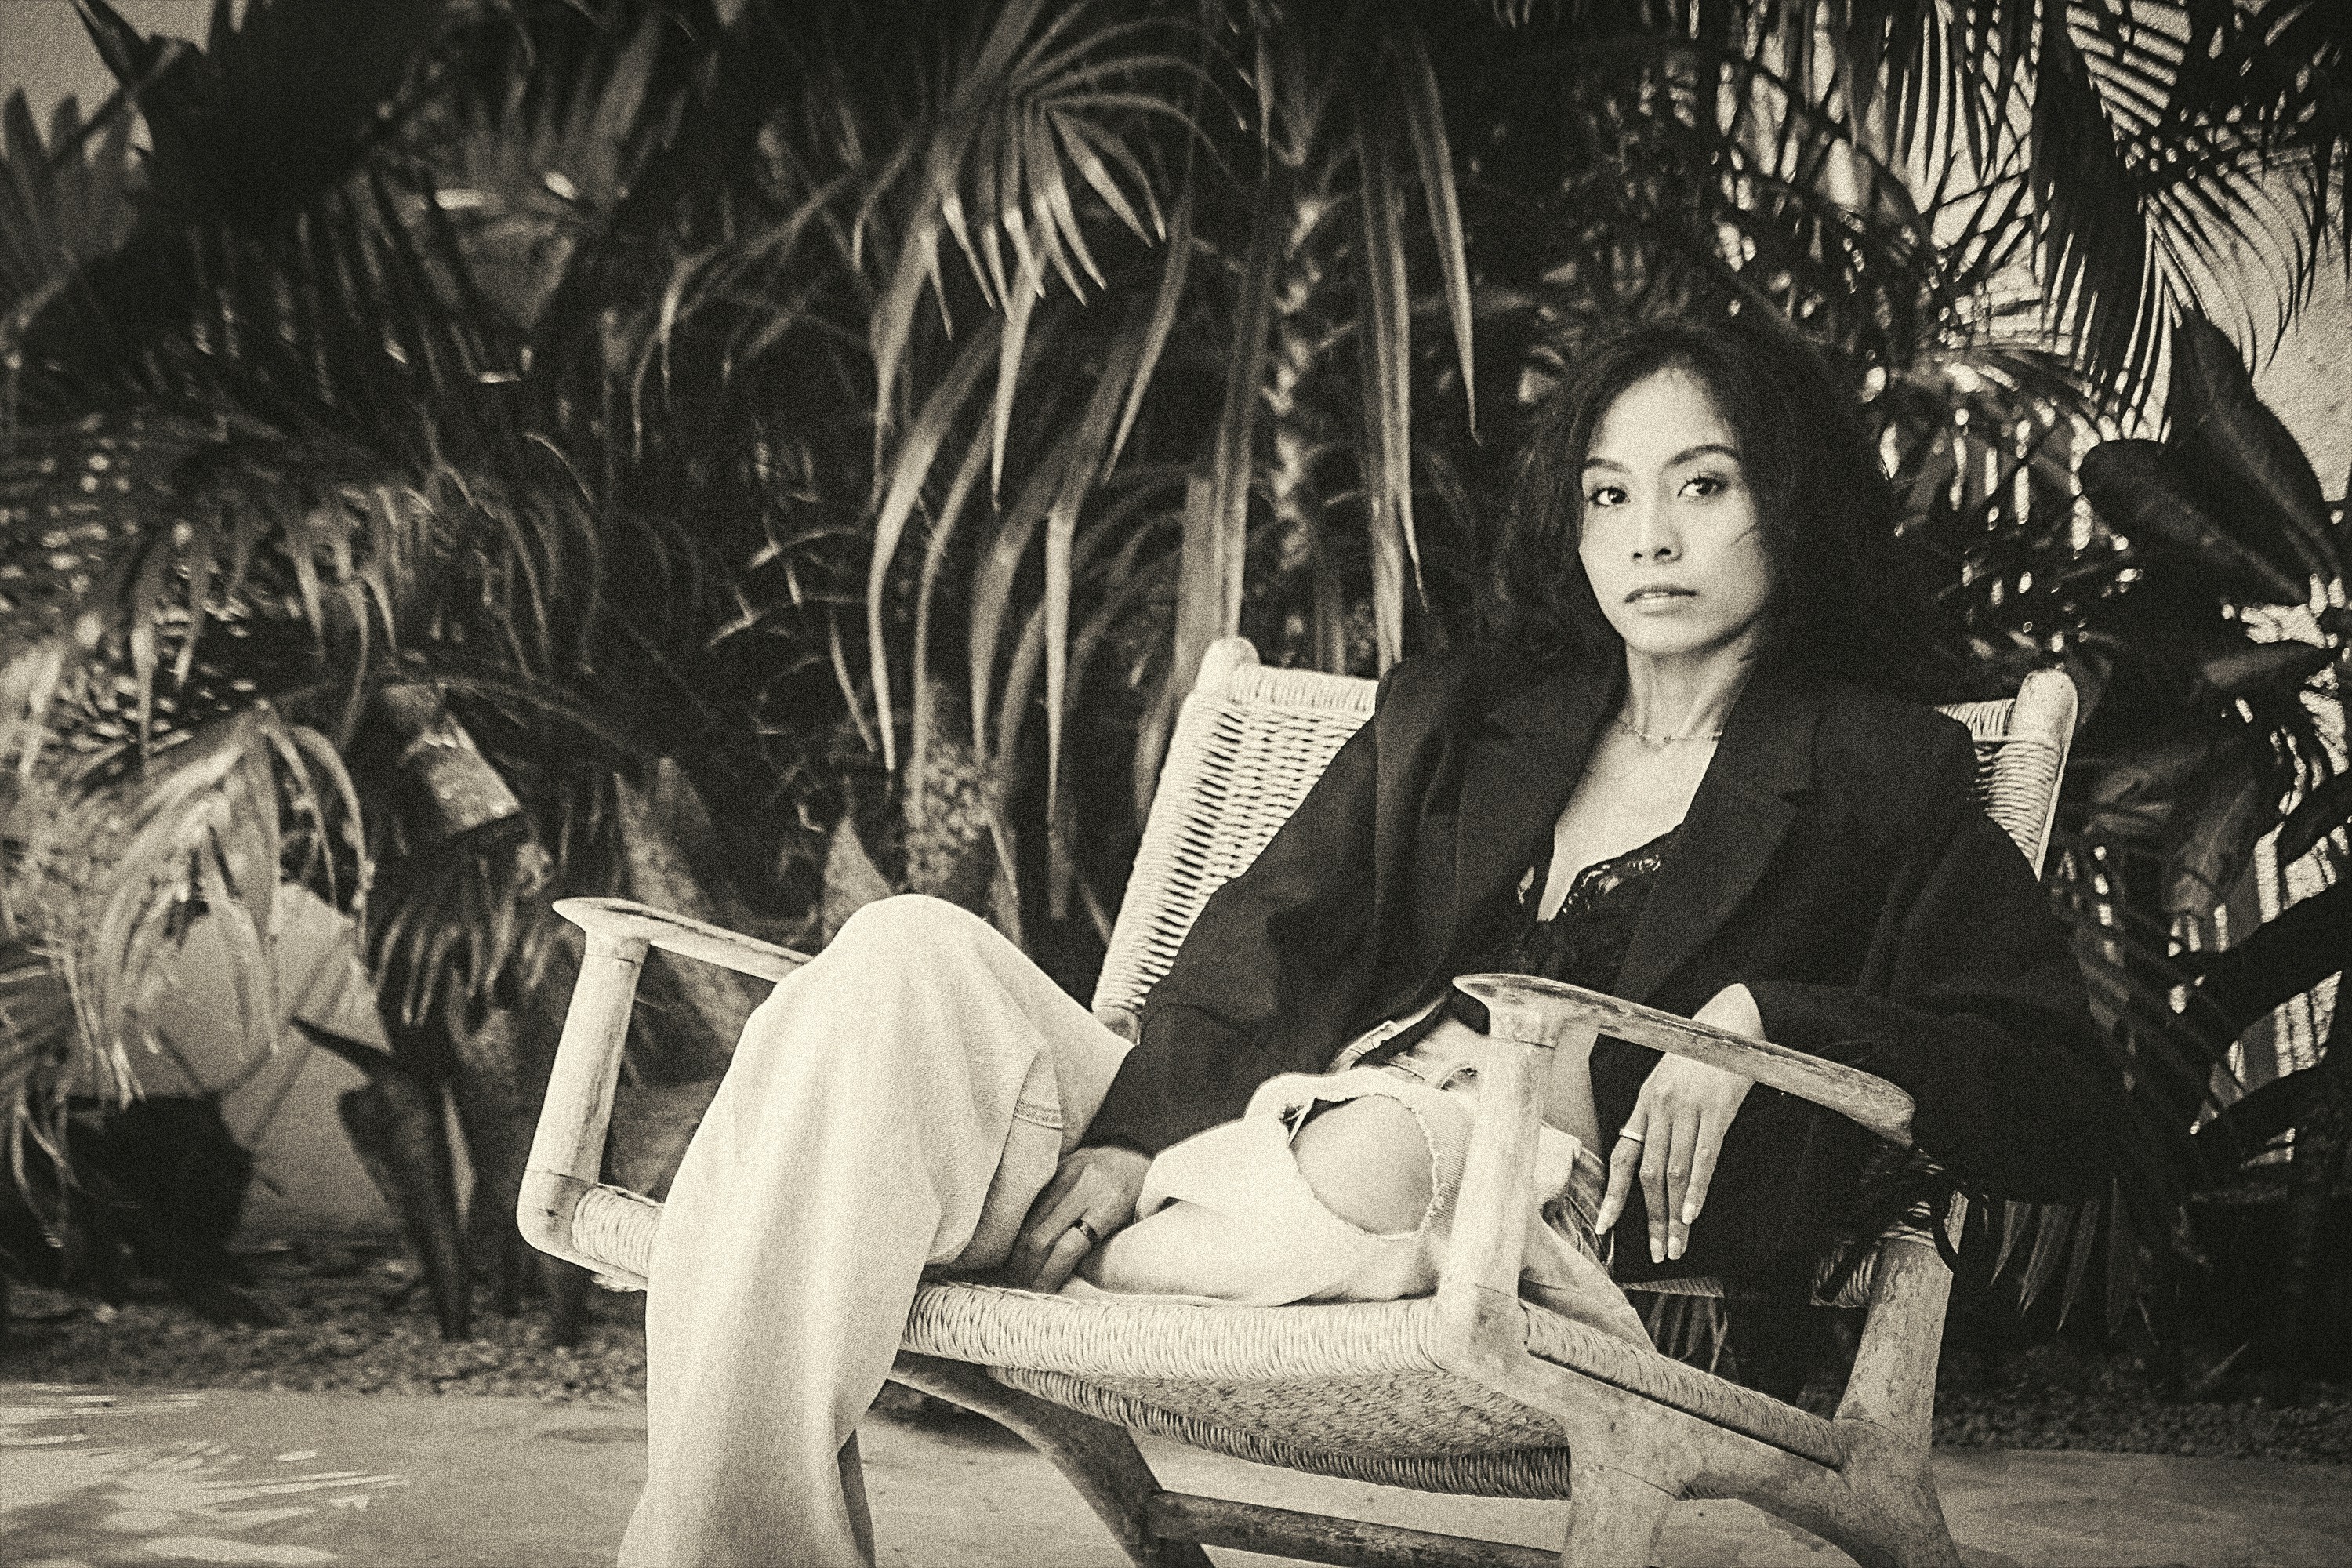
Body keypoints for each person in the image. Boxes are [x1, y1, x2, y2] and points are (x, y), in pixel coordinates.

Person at [618, 315, 2124, 1567]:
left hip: (1500, 1217)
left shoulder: (1882, 772)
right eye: (1608, 495)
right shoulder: (1457, 717)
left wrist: (1768, 1024)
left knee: (1395, 1145)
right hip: (1217, 1163)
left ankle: (959, 1207)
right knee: (895, 956)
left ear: (1788, 505)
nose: (1649, 538)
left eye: (1703, 486)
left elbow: (2059, 1093)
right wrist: (1136, 1138)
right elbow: (1262, 945)